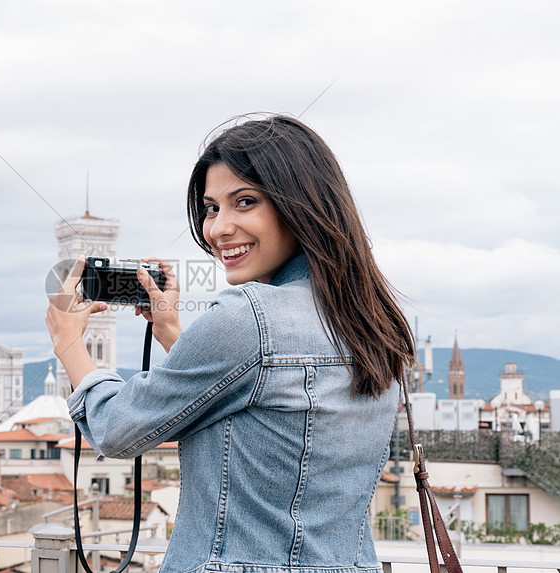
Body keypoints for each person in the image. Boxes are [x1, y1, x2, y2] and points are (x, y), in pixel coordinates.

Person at [45, 115, 414, 573]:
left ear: (300, 205)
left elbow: (117, 430)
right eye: (211, 208)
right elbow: (266, 406)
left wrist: (68, 345)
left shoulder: (247, 317)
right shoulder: (375, 323)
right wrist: (173, 336)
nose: (217, 228)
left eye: (244, 202)